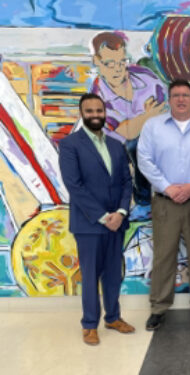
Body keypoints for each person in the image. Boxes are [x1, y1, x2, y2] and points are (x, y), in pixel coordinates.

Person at [137, 79, 190, 330]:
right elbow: (144, 160)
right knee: (164, 256)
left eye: (186, 95)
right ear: (170, 99)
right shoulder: (153, 127)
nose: (181, 99)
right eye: (176, 95)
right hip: (165, 201)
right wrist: (168, 187)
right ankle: (159, 308)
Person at [59, 93, 135, 346]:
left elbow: (126, 181)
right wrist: (103, 217)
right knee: (90, 276)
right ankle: (89, 324)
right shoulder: (70, 145)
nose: (95, 115)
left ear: (105, 113)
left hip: (117, 222)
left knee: (113, 275)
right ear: (82, 114)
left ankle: (113, 318)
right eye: (89, 111)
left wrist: (121, 213)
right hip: (90, 224)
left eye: (99, 111)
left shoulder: (116, 145)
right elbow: (74, 186)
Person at [91, 31, 167, 220]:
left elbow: (164, 108)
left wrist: (142, 121)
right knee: (135, 144)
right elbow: (126, 132)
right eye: (110, 64)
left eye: (122, 62)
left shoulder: (145, 77)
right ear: (97, 62)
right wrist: (147, 115)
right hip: (114, 148)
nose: (118, 69)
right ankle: (143, 204)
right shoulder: (97, 96)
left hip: (154, 135)